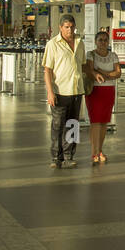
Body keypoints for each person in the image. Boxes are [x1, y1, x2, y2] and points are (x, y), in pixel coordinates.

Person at [43, 14, 85, 168]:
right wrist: (50, 92)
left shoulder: (80, 43)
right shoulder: (52, 44)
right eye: (66, 27)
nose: (70, 30)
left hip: (76, 91)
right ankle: (56, 157)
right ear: (60, 28)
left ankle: (69, 155)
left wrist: (95, 74)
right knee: (57, 125)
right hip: (60, 91)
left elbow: (83, 65)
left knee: (73, 124)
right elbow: (47, 70)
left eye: (72, 27)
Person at [83, 30, 121, 164]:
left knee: (104, 122)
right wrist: (108, 74)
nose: (103, 43)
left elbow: (118, 73)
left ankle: (100, 150)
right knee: (95, 122)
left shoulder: (113, 55)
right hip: (95, 91)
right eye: (100, 40)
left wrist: (101, 72)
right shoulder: (91, 55)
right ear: (95, 41)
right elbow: (89, 70)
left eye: (105, 40)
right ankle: (94, 152)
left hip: (109, 91)